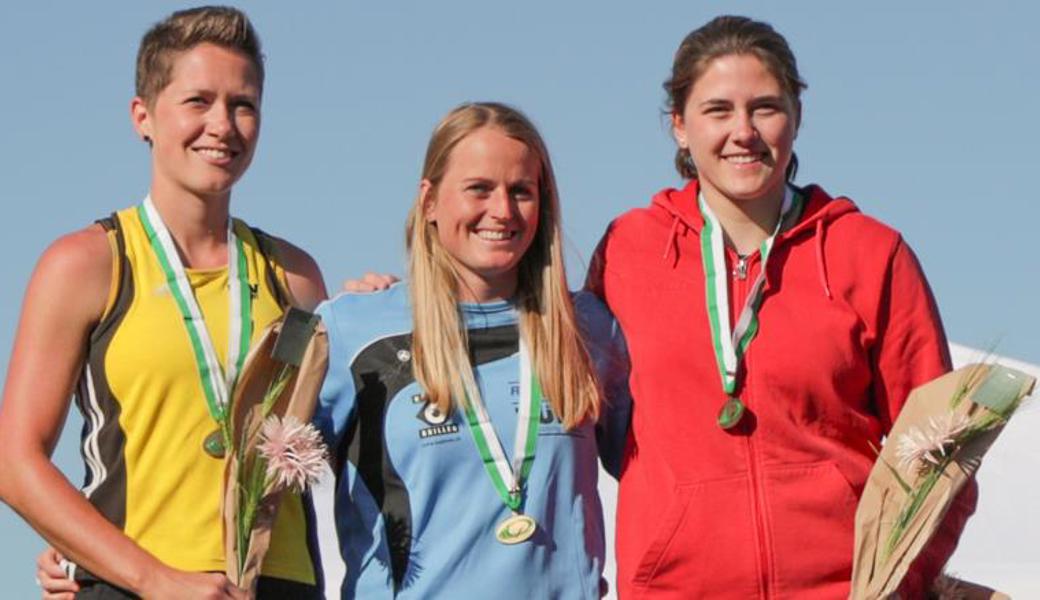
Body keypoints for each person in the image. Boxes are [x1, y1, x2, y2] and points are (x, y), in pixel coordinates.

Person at [585, 15, 976, 598]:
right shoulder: (627, 252)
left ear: (796, 116)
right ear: (679, 127)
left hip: (841, 590)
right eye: (717, 110)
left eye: (764, 107)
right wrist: (402, 300)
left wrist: (897, 582)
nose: (743, 131)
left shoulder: (868, 252)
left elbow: (940, 451)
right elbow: (564, 390)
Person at [0, 7, 326, 599]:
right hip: (140, 587)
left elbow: (320, 433)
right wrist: (149, 577)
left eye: (243, 104)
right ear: (143, 117)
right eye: (198, 101)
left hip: (279, 584)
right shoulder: (86, 265)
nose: (222, 124)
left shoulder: (295, 277)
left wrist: (372, 312)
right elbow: (14, 462)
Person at [315, 102, 628, 598]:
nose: (502, 211)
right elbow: (257, 482)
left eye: (521, 191)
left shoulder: (589, 329)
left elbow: (664, 472)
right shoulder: (353, 330)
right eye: (479, 188)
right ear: (430, 201)